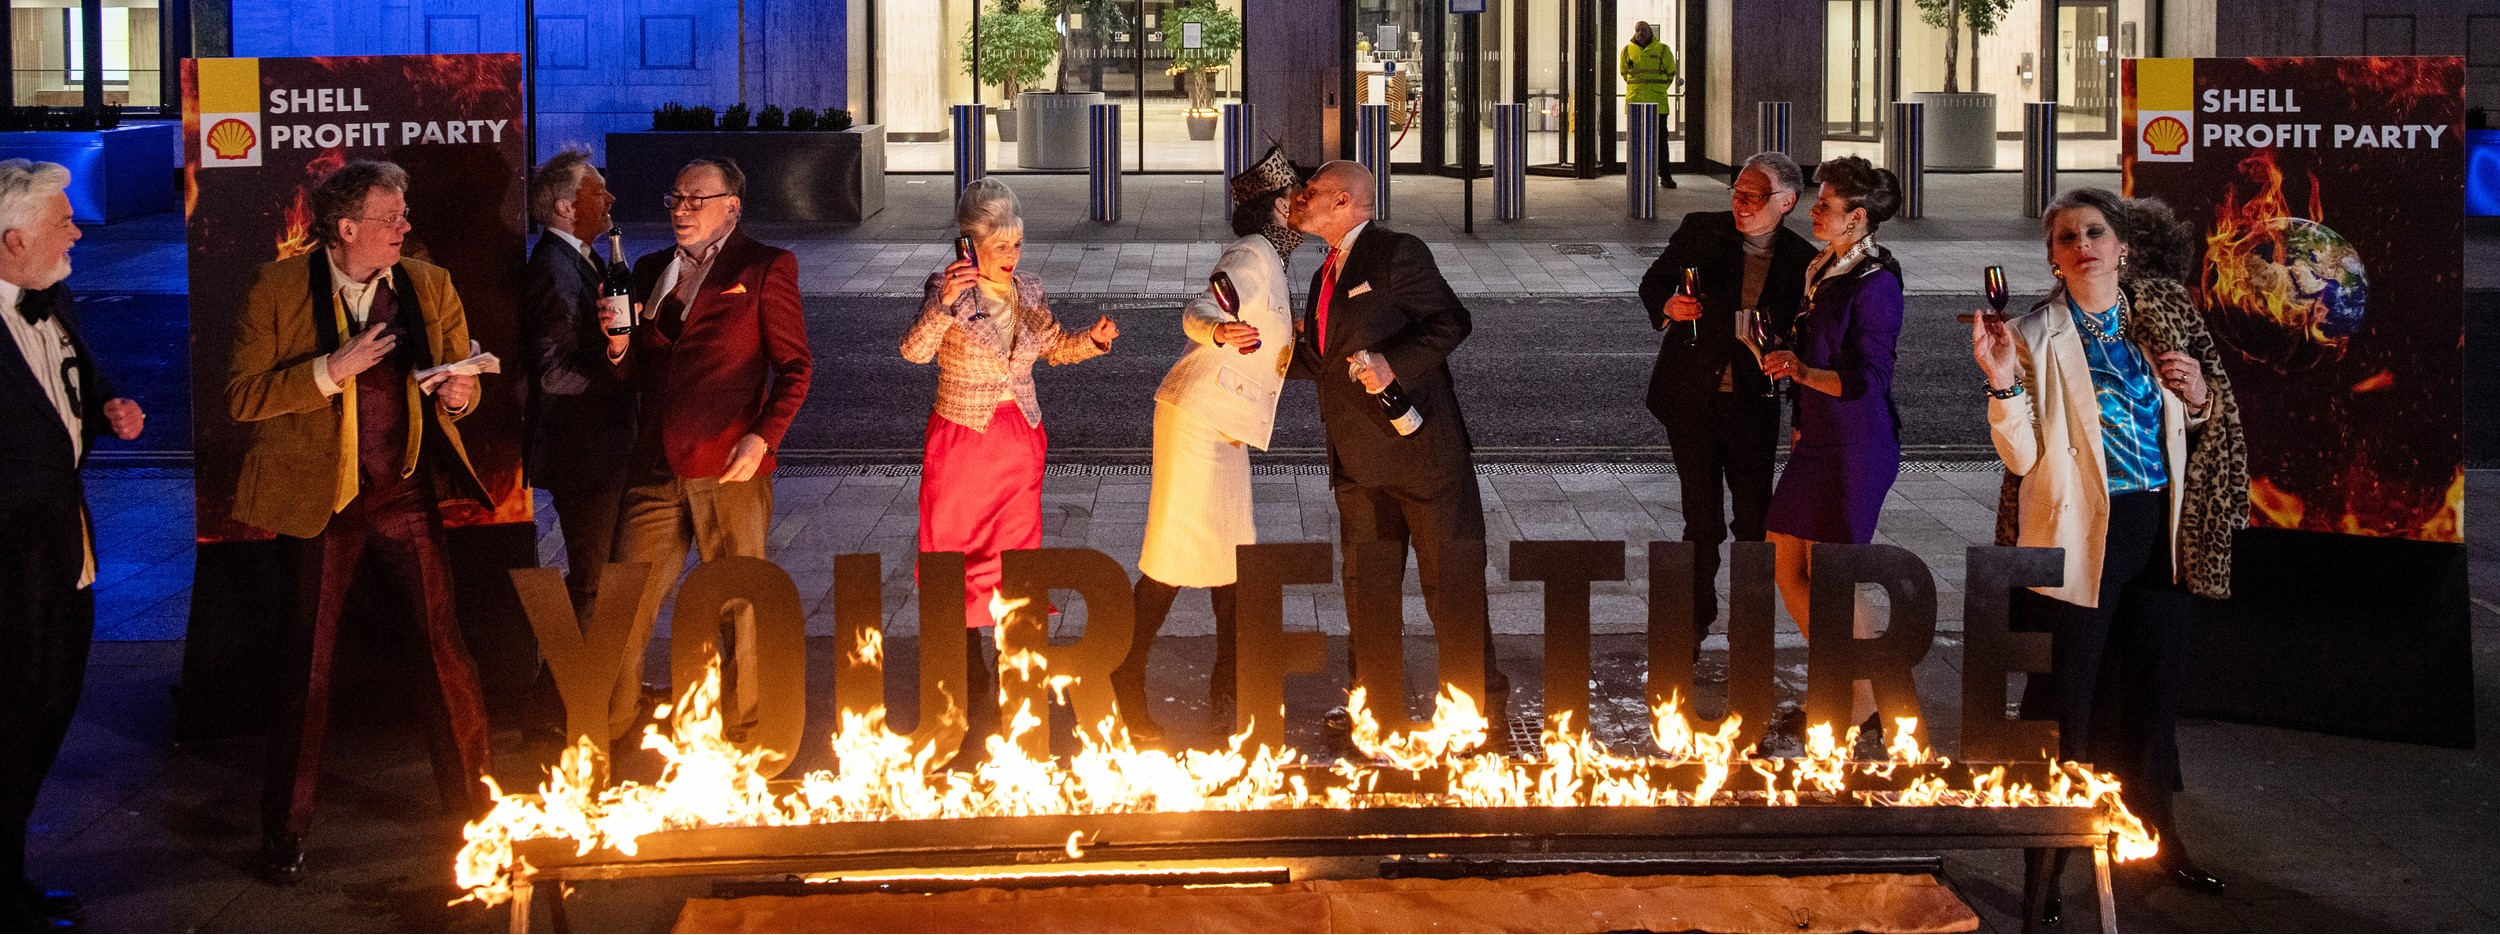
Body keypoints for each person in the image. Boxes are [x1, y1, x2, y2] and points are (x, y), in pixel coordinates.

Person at [1972, 188, 2246, 916]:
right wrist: (2001, 381)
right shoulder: (2034, 332)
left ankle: (2157, 842)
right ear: (2054, 258)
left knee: (2153, 695)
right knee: (2068, 706)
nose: (2083, 243)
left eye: (2096, 232)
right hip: (2075, 535)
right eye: (2066, 237)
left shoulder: (2162, 323)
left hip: (2159, 531)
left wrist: (2195, 400)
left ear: (2123, 247)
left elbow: (2198, 421)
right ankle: (2046, 869)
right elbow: (2022, 454)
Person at [224, 160, 495, 885]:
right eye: (391, 218)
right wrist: (330, 370)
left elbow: (460, 387)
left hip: (400, 492)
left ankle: (483, 811)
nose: (405, 227)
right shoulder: (278, 288)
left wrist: (461, 393)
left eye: (404, 215)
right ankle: (284, 831)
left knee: (445, 649)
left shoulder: (427, 284)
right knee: (306, 668)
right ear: (346, 229)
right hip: (320, 503)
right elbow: (242, 397)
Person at [1287, 160, 1506, 744]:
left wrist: (1393, 363)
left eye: (1310, 193)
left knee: (1450, 584)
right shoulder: (1324, 273)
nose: (1299, 200)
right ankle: (1371, 706)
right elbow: (1324, 359)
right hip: (1358, 462)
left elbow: (1451, 321)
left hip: (1422, 456)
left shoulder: (1394, 252)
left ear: (1343, 200)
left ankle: (1480, 710)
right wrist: (1259, 354)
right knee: (1367, 588)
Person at [903, 178, 1118, 758]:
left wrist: (1093, 343)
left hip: (1018, 442)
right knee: (952, 561)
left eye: (1018, 245)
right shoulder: (944, 288)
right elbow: (914, 350)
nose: (1012, 257)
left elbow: (1054, 347)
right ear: (969, 244)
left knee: (1016, 566)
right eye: (1000, 247)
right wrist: (945, 304)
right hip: (961, 443)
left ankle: (1016, 682)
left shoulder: (1030, 288)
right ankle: (963, 685)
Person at [1111, 147, 1303, 744]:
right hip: (1198, 418)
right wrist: (1217, 328)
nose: (1303, 209)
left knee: (1233, 563)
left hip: (1224, 422)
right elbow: (1199, 307)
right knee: (1173, 557)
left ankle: (1229, 687)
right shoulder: (1251, 255)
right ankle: (1125, 672)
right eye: (1296, 200)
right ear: (1277, 206)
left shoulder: (1271, 257)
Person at [603, 157, 812, 705]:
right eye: (675, 198)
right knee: (623, 599)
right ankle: (607, 728)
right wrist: (618, 346)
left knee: (738, 604)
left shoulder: (765, 267)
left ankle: (746, 731)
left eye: (697, 199)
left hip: (730, 465)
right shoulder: (648, 271)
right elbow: (630, 375)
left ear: (731, 207)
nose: (682, 209)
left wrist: (764, 435)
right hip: (654, 463)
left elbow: (796, 367)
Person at [0, 159, 142, 929]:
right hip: (10, 564)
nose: (78, 232)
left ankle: (10, 875)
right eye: (63, 222)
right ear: (13, 240)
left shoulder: (52, 298)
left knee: (47, 710)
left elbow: (67, 393)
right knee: (10, 718)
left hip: (68, 553)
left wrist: (106, 408)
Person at [1635, 151, 1814, 642]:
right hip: (1691, 396)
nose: (1740, 204)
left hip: (1752, 402)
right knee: (1701, 519)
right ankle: (1694, 622)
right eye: (1736, 193)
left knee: (1754, 519)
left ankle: (1750, 626)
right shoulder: (1701, 229)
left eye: (1753, 196)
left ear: (1786, 202)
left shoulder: (1803, 261)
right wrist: (1668, 305)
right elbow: (1654, 282)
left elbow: (1808, 338)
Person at [1759, 154, 1904, 737]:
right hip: (1817, 436)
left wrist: (1800, 370)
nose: (1813, 211)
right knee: (1784, 562)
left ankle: (1862, 703)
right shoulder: (1825, 265)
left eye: (1824, 205)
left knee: (1831, 576)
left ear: (1858, 218)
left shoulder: (1878, 282)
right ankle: (1851, 687)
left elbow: (1871, 380)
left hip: (1856, 441)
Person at [521, 147, 633, 617]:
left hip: (598, 452)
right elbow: (553, 374)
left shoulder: (578, 260)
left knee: (607, 575)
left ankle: (598, 684)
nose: (609, 195)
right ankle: (571, 688)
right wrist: (616, 362)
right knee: (595, 580)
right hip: (584, 456)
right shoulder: (553, 268)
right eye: (596, 188)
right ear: (565, 207)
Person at [1620, 21, 1679, 189]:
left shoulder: (1662, 49)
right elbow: (1624, 73)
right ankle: (1637, 176)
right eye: (1637, 30)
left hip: (1657, 104)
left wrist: (1658, 89)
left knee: (1660, 142)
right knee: (1636, 142)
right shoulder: (1627, 50)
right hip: (1635, 103)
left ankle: (1665, 176)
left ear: (1650, 32)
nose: (1640, 33)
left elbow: (1670, 73)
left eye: (1643, 30)